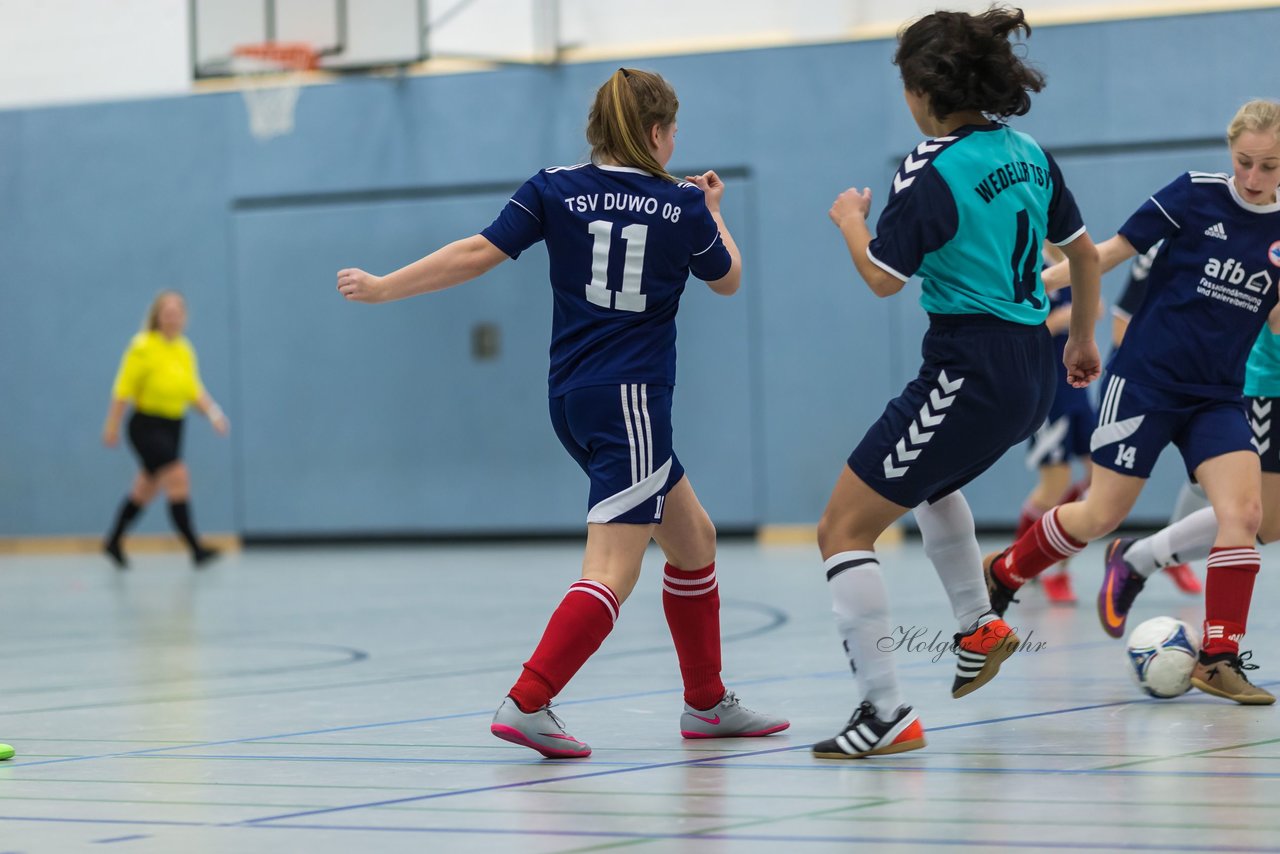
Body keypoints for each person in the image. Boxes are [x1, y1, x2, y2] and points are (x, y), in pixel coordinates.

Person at [336, 68, 788, 759]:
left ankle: (705, 703)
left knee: (693, 539)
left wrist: (382, 288)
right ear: (658, 135)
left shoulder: (553, 185)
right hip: (633, 400)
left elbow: (474, 253)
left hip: (573, 398)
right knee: (613, 569)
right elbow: (726, 277)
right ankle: (529, 699)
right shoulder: (680, 203)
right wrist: (715, 210)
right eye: (672, 132)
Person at [812, 6, 1100, 760]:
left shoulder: (928, 170)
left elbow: (881, 277)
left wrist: (849, 220)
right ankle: (979, 625)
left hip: (968, 369)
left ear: (920, 89)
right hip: (1033, 371)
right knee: (932, 485)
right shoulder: (1029, 152)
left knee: (842, 529)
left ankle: (885, 713)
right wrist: (1081, 341)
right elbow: (1088, 255)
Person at [985, 98, 1280, 705]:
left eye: (1270, 167)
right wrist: (1032, 291)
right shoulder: (1193, 194)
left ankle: (1219, 655)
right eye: (1245, 162)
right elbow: (1108, 252)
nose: (1253, 179)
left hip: (1219, 397)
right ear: (1230, 152)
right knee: (1100, 516)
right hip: (1145, 382)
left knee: (1246, 515)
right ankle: (1006, 571)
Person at [1100, 325, 1280, 635]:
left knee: (1267, 521)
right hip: (1271, 388)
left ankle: (1139, 558)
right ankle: (1137, 558)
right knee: (1259, 516)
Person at [102, 291, 228, 568]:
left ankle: (113, 541)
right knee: (178, 475)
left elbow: (193, 391)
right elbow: (122, 390)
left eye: (177, 313)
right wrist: (111, 426)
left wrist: (214, 414)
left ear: (184, 317)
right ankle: (196, 548)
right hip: (146, 425)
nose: (172, 318)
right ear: (157, 317)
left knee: (145, 488)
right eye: (166, 313)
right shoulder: (142, 346)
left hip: (173, 426)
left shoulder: (184, 349)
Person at [1109, 243, 1204, 594]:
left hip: (1202, 382)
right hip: (1143, 381)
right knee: (1104, 501)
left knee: (1210, 479)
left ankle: (1169, 552)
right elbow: (1120, 326)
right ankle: (1045, 564)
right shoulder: (1160, 248)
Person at [1014, 243, 1098, 605]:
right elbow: (1021, 327)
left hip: (1078, 388)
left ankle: (1030, 555)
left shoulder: (1078, 261)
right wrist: (1061, 319)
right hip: (1048, 391)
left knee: (1099, 477)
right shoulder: (1030, 263)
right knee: (1055, 482)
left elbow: (1091, 311)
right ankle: (1044, 567)